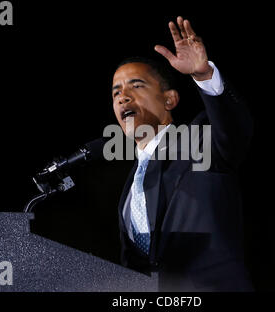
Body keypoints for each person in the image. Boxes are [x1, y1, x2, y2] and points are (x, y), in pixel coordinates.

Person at [111, 16, 254, 291]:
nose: (122, 96)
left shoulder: (199, 141)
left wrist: (203, 75)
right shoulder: (131, 186)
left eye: (136, 86)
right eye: (116, 91)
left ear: (170, 99)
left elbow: (234, 131)